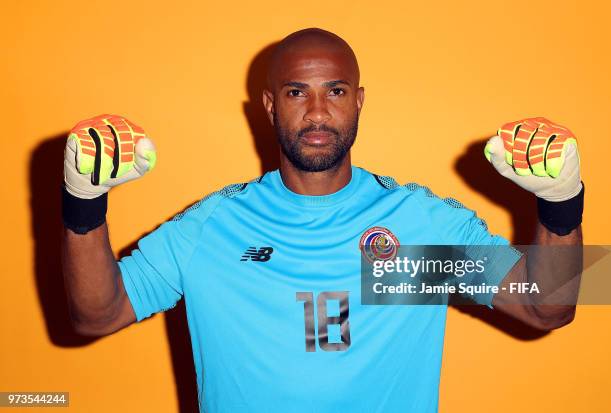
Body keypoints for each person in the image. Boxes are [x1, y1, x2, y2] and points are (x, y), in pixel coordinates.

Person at [61, 28, 584, 412]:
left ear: (357, 102)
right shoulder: (214, 226)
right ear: (269, 105)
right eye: (296, 93)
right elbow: (97, 315)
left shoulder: (417, 224)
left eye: (334, 91)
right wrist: (84, 203)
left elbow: (545, 309)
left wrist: (561, 205)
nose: (316, 112)